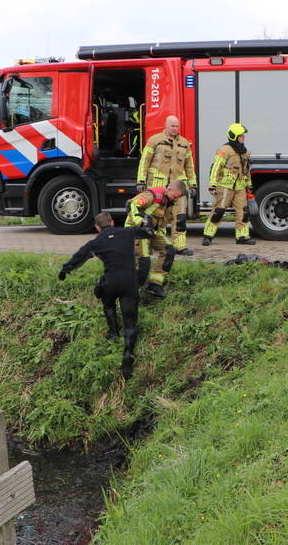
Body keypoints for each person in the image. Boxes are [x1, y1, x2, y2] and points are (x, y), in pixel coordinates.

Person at [59, 211, 150, 378]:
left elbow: (78, 258)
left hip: (111, 282)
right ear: (113, 223)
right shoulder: (127, 232)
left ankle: (113, 332)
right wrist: (145, 219)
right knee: (130, 322)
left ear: (97, 227)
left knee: (108, 303)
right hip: (130, 282)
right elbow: (148, 232)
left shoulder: (96, 242)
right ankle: (128, 353)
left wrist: (65, 269)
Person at [136, 115, 197, 256]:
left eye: (176, 126)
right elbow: (144, 162)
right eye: (172, 126)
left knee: (180, 218)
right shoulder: (154, 141)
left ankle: (181, 246)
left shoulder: (184, 144)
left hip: (179, 190)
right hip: (159, 188)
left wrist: (193, 184)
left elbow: (189, 166)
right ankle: (153, 244)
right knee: (157, 219)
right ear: (166, 125)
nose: (175, 129)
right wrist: (140, 180)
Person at [125, 179, 186, 298]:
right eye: (175, 196)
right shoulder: (153, 194)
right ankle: (132, 293)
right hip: (137, 230)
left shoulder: (169, 201)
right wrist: (141, 223)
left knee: (169, 250)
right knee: (144, 263)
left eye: (178, 198)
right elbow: (131, 204)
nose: (175, 199)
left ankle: (154, 285)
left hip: (152, 232)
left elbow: (161, 223)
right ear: (169, 189)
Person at [202, 123, 256, 246]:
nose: (243, 138)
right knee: (218, 211)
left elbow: (246, 170)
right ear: (234, 136)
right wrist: (212, 184)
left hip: (240, 187)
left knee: (243, 212)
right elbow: (216, 167)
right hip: (225, 186)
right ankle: (208, 235)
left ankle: (242, 236)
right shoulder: (224, 150)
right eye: (241, 136)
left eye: (243, 136)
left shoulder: (245, 151)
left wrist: (249, 184)